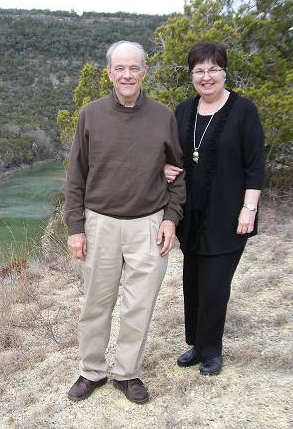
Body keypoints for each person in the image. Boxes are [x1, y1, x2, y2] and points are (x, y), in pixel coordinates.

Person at [64, 40, 186, 405]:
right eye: (120, 68)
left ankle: (127, 373)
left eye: (135, 67)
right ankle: (91, 371)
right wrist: (75, 227)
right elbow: (76, 176)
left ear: (145, 71)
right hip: (100, 224)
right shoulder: (91, 114)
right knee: (96, 304)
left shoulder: (163, 116)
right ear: (109, 73)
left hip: (148, 226)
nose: (127, 74)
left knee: (139, 304)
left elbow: (177, 175)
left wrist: (171, 218)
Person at [165, 41, 265, 375]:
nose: (206, 77)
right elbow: (173, 155)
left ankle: (212, 350)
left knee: (214, 285)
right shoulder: (183, 111)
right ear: (191, 75)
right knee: (192, 281)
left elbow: (255, 165)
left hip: (228, 215)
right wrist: (164, 168)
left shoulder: (243, 110)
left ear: (224, 71)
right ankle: (195, 343)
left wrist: (248, 209)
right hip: (191, 216)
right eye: (199, 71)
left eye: (213, 69)